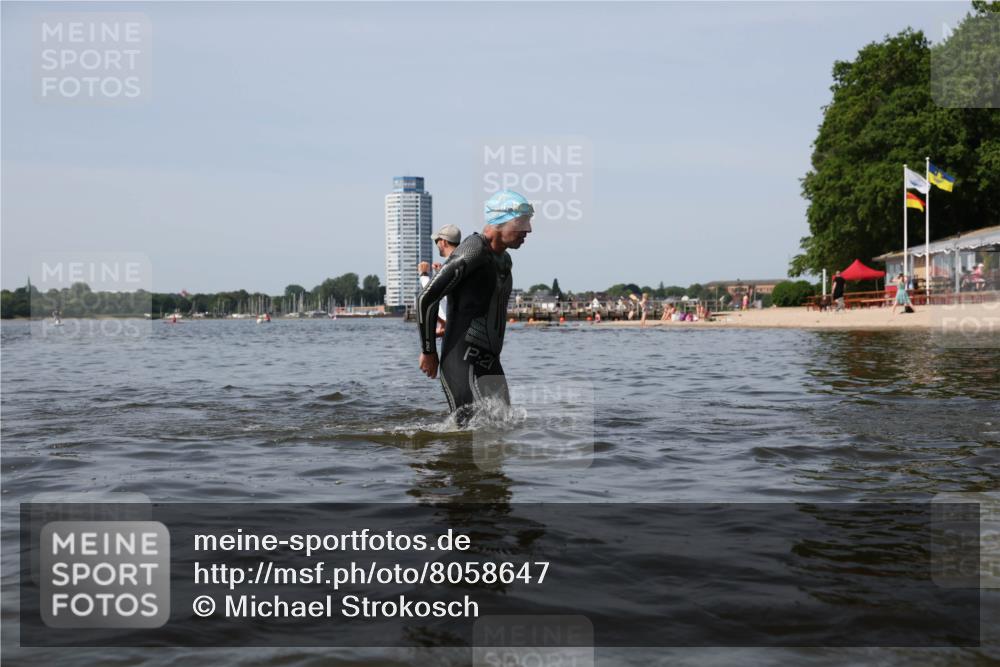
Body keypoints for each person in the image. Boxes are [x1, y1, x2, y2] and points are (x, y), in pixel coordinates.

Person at [416, 190, 532, 424]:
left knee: (502, 431)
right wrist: (429, 352)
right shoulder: (473, 250)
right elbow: (426, 298)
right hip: (461, 361)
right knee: (469, 438)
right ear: (500, 221)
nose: (528, 230)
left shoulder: (504, 260)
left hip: (490, 360)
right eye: (521, 223)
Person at [419, 224, 462, 337]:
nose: (437, 245)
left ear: (443, 242)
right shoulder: (461, 262)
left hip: (452, 333)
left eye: (436, 242)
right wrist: (439, 273)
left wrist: (423, 274)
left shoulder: (451, 266)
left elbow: (431, 292)